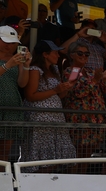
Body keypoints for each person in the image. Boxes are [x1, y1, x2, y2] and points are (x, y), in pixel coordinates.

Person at [21, 40, 76, 172]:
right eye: (55, 53)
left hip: (56, 118)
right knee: (42, 160)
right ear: (45, 54)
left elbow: (58, 95)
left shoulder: (54, 69)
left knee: (53, 160)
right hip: (40, 119)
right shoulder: (35, 70)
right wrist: (55, 90)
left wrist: (65, 88)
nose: (58, 55)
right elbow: (30, 95)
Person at [62, 41, 106, 174]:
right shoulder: (72, 71)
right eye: (80, 53)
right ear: (72, 55)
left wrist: (104, 78)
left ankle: (82, 177)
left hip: (95, 118)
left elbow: (103, 90)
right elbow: (76, 92)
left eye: (86, 54)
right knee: (77, 153)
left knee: (87, 153)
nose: (84, 56)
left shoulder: (90, 71)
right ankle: (74, 178)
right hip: (80, 118)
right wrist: (96, 80)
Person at [0, 25, 31, 166]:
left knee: (4, 153)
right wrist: (8, 65)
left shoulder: (15, 58)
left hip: (11, 108)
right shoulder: (11, 61)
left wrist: (26, 65)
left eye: (12, 43)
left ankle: (3, 179)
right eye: (6, 41)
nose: (9, 45)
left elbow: (22, 83)